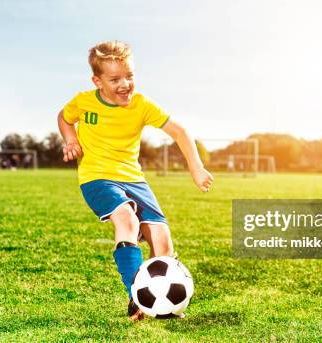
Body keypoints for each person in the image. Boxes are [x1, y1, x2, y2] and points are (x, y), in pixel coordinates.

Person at [57, 41, 213, 321]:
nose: (125, 84)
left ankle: (163, 305)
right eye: (115, 79)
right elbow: (64, 117)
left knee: (163, 242)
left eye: (129, 76)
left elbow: (179, 131)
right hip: (98, 177)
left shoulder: (141, 105)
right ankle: (137, 296)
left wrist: (197, 168)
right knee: (126, 220)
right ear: (97, 81)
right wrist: (70, 139)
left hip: (135, 180)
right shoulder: (83, 101)